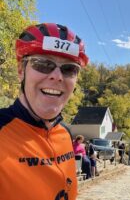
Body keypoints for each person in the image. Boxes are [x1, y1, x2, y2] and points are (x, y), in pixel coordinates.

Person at [0, 23, 89, 200]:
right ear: (21, 71)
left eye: (69, 69)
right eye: (42, 64)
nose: (57, 76)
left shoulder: (65, 131)